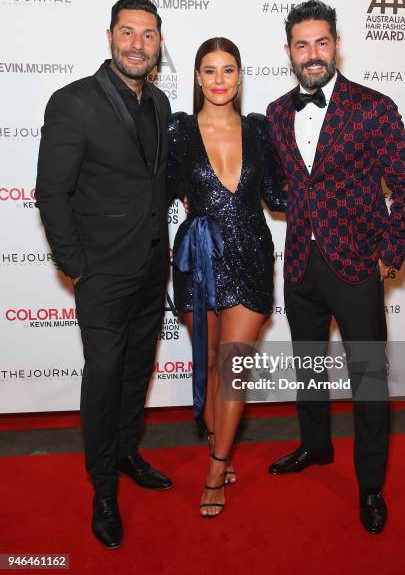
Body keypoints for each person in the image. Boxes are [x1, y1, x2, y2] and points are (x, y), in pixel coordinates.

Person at [265, 0, 405, 534]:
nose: (313, 54)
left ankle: (371, 486)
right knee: (309, 367)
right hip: (300, 265)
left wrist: (389, 252)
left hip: (356, 264)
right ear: (288, 50)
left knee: (368, 380)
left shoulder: (373, 106)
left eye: (322, 42)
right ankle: (315, 447)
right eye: (302, 44)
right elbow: (284, 186)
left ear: (336, 44)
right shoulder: (275, 112)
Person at [36, 0, 173, 549]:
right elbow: (52, 192)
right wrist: (76, 266)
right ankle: (103, 490)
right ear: (110, 36)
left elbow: (153, 183)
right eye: (128, 32)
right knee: (103, 377)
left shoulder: (161, 104)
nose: (137, 43)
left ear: (159, 43)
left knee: (137, 371)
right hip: (102, 274)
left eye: (147, 34)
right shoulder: (73, 102)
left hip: (150, 268)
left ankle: (126, 451)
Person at [167, 37, 286, 518]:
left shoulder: (259, 130)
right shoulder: (178, 131)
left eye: (229, 70)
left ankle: (217, 468)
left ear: (240, 78)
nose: (219, 80)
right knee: (212, 359)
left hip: (252, 253)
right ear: (197, 78)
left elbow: (279, 194)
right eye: (210, 70)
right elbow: (161, 188)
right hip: (198, 257)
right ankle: (218, 438)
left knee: (234, 367)